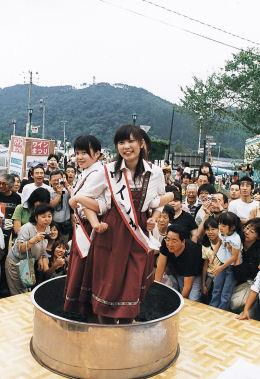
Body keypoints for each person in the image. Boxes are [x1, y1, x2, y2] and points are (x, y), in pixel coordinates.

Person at [65, 125, 167, 324]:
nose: (126, 146)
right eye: (121, 142)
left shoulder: (155, 173)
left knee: (132, 284)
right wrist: (92, 218)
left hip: (138, 233)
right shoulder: (108, 171)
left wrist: (154, 216)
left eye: (131, 141)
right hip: (112, 233)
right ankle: (107, 333)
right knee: (108, 286)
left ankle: (125, 334)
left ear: (141, 144)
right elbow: (86, 196)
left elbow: (159, 198)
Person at [5, 204, 53, 295]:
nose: (47, 219)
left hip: (28, 264)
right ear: (36, 218)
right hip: (15, 263)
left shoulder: (47, 228)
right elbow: (20, 249)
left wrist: (41, 257)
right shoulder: (27, 227)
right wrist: (33, 240)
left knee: (25, 291)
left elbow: (42, 247)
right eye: (43, 217)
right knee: (18, 294)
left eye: (49, 216)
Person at [155, 224, 203, 300]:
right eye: (168, 239)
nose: (170, 244)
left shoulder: (191, 253)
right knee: (169, 294)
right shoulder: (165, 243)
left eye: (174, 241)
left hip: (194, 274)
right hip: (176, 271)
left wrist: (181, 302)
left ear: (183, 241)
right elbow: (160, 267)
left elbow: (188, 285)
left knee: (192, 300)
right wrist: (155, 289)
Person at [209, 212, 243, 310]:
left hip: (231, 267)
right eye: (219, 224)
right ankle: (213, 308)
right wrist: (213, 254)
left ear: (232, 227)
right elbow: (219, 241)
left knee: (226, 292)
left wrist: (220, 268)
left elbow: (234, 257)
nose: (220, 227)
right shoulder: (222, 232)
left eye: (223, 225)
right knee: (216, 288)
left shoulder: (236, 239)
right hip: (222, 263)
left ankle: (221, 312)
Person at [201, 217, 222, 303]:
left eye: (213, 229)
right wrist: (203, 284)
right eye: (207, 229)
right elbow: (205, 265)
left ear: (219, 229)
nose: (210, 232)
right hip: (210, 277)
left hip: (221, 276)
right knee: (206, 300)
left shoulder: (224, 242)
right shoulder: (205, 245)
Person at [49, 170, 72, 240]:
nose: (56, 182)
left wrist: (67, 185)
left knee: (63, 246)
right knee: (52, 244)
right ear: (50, 181)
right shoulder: (48, 191)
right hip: (53, 224)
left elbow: (75, 198)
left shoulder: (67, 190)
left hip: (66, 224)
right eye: (54, 180)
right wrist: (59, 194)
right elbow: (51, 206)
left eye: (59, 180)